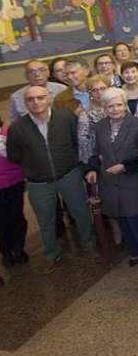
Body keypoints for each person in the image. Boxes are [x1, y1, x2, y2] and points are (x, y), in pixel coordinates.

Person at [7, 86, 94, 264]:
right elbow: (14, 155)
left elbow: (76, 142)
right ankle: (51, 253)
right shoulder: (17, 128)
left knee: (81, 212)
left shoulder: (65, 117)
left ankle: (89, 242)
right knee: (46, 219)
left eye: (40, 97)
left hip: (69, 174)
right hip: (38, 182)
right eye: (31, 99)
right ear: (26, 103)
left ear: (49, 99)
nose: (36, 102)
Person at [84, 88, 138, 272]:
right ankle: (134, 251)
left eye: (119, 104)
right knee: (120, 217)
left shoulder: (137, 124)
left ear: (125, 105)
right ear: (104, 107)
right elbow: (96, 152)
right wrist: (92, 169)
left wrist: (124, 166)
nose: (115, 109)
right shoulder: (100, 126)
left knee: (135, 218)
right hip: (108, 179)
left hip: (131, 179)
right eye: (110, 106)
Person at [0, 116, 26, 268]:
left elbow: (19, 154)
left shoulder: (8, 132)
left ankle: (18, 248)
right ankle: (6, 252)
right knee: (2, 220)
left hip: (14, 181)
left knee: (17, 216)